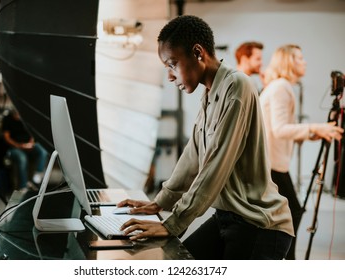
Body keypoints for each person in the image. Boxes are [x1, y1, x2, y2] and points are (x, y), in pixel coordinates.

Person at [117, 15, 294, 260]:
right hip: (227, 217)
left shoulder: (236, 86)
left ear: (198, 53)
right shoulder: (210, 93)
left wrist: (173, 223)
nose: (170, 76)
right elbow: (193, 156)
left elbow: (214, 166)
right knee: (175, 262)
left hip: (258, 224)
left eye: (172, 64)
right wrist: (159, 203)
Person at [259, 44, 344, 259]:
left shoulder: (279, 86)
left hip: (271, 163)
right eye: (299, 58)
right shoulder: (281, 87)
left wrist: (314, 133)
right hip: (271, 164)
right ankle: (288, 261)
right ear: (287, 62)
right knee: (292, 212)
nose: (304, 62)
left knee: (288, 213)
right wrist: (316, 128)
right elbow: (279, 129)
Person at [2, 108, 48, 190]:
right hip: (14, 147)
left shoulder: (27, 116)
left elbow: (33, 133)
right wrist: (20, 145)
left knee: (43, 151)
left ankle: (37, 178)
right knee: (22, 158)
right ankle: (23, 187)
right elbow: (6, 138)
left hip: (28, 145)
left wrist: (31, 143)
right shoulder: (7, 119)